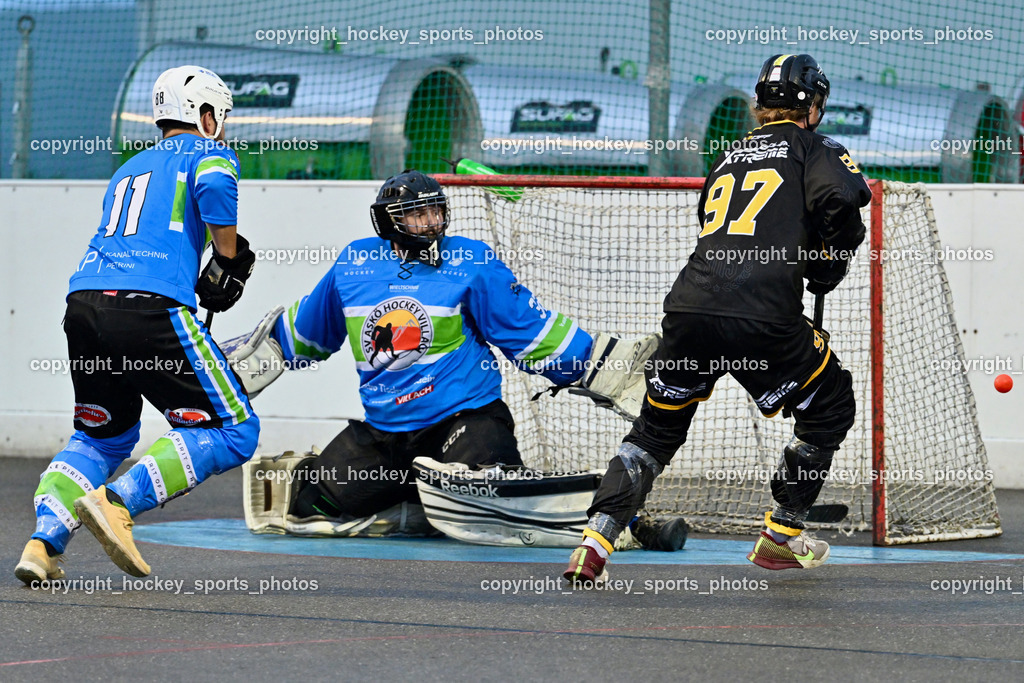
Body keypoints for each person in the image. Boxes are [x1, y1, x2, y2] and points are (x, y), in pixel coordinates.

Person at [564, 53, 872, 585]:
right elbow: (842, 199)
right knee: (831, 404)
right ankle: (781, 536)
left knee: (656, 430)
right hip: (762, 317)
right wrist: (830, 261)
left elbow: (725, 224)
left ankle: (595, 542)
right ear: (814, 105)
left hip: (689, 308)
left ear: (761, 106)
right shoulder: (816, 147)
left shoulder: (730, 157)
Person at [230, 170, 659, 542]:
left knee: (484, 489)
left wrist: (604, 367)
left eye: (435, 211)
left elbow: (529, 332)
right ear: (388, 221)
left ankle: (607, 516)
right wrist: (233, 372)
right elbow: (308, 333)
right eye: (417, 214)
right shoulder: (355, 263)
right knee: (309, 503)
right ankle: (415, 509)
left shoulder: (470, 261)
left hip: (463, 421)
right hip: (386, 435)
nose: (430, 223)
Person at [15, 65, 259, 583]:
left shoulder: (129, 166)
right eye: (219, 114)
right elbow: (216, 187)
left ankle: (42, 542)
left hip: (84, 304)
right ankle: (116, 504)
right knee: (235, 429)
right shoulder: (210, 151)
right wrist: (228, 255)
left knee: (103, 434)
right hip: (149, 307)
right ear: (203, 114)